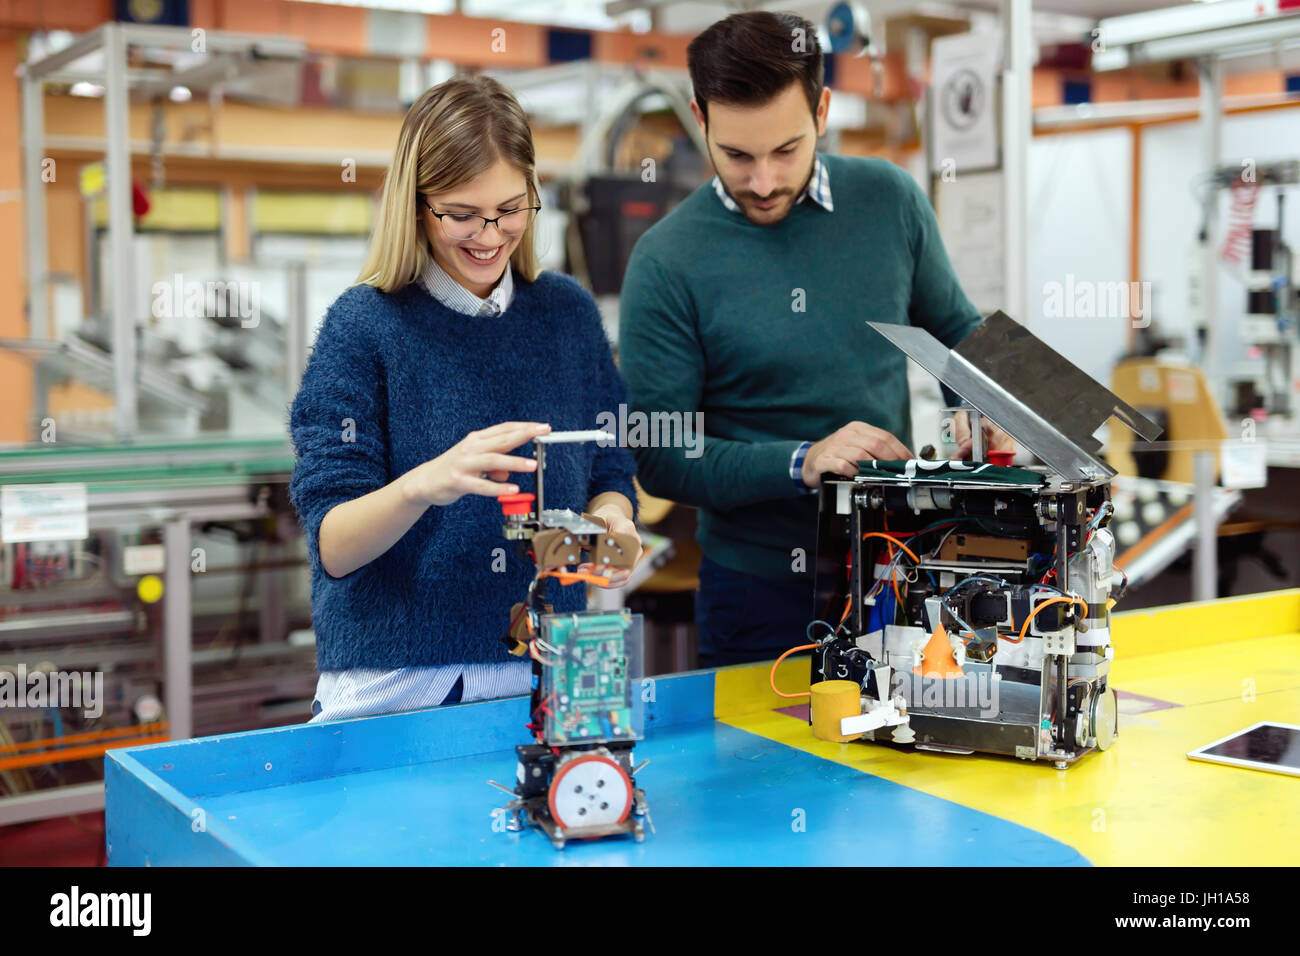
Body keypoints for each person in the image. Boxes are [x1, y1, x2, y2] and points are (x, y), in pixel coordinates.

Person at [618, 11, 1010, 668]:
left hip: (899, 570)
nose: (763, 182)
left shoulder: (890, 201)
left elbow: (957, 335)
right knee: (768, 771)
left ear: (822, 110)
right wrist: (801, 460)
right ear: (700, 117)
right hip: (757, 596)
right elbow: (660, 453)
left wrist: (989, 410)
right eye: (737, 155)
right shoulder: (667, 261)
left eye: (786, 150)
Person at [290, 76, 639, 721]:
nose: (489, 235)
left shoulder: (566, 313)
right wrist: (426, 484)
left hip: (552, 664)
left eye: (510, 208)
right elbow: (334, 545)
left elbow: (611, 467)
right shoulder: (363, 326)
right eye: (462, 213)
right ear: (416, 206)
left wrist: (613, 520)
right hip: (399, 684)